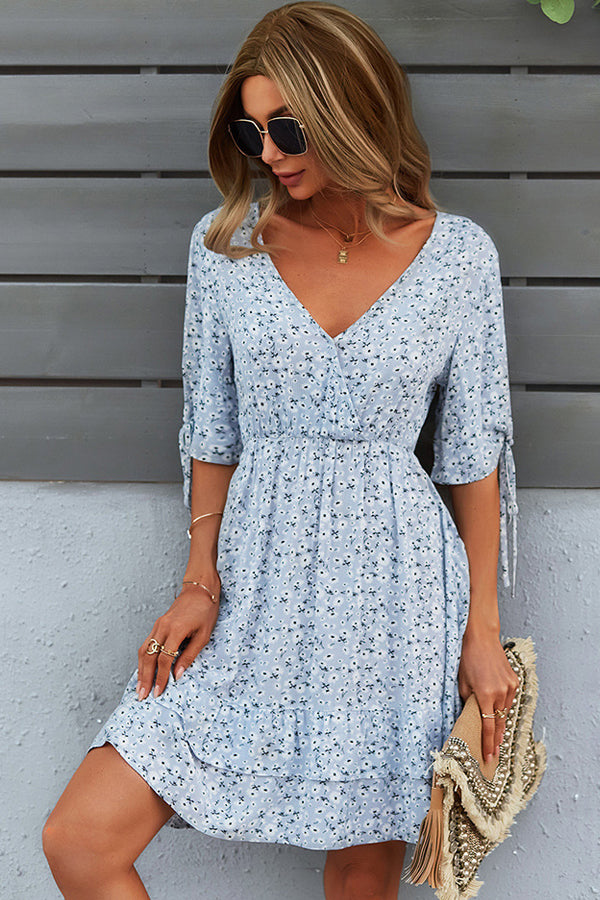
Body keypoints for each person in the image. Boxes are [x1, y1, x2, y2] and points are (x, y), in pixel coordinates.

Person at [42, 2, 521, 898]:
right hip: (254, 580)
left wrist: (482, 634)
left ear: (350, 111)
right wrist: (199, 579)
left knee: (361, 872)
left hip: (397, 592)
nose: (267, 152)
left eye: (288, 128)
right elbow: (211, 430)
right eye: (249, 131)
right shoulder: (224, 245)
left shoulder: (457, 256)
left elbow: (472, 454)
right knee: (81, 839)